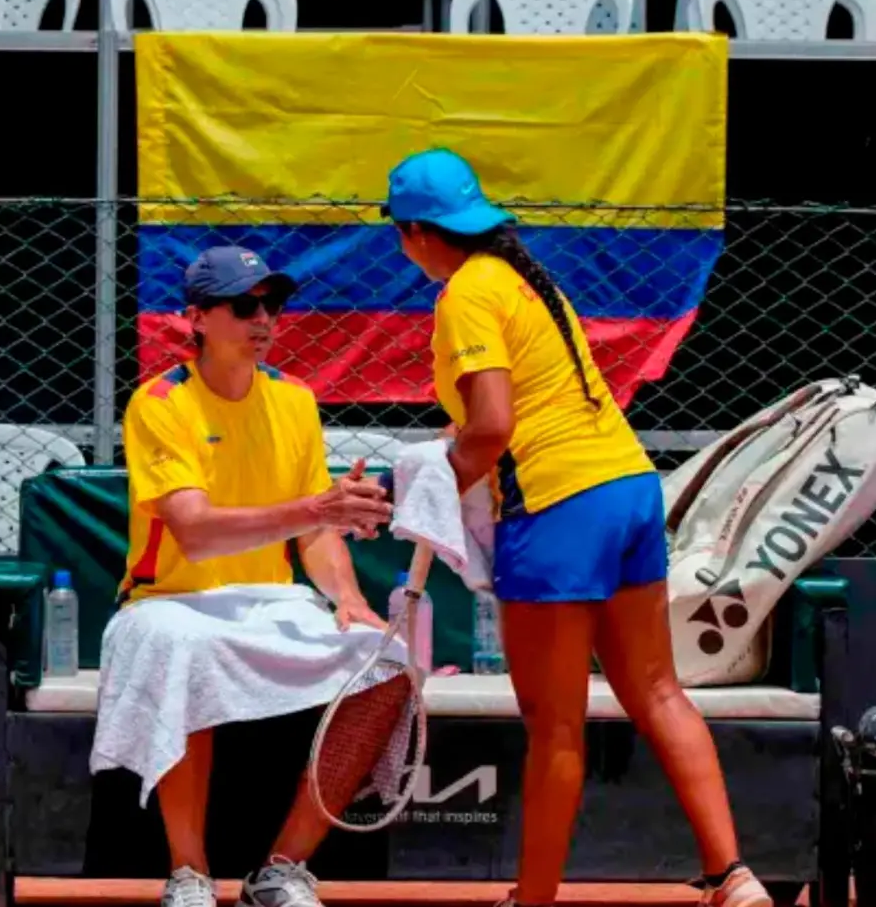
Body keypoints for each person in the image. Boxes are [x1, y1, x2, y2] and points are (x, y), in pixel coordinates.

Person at [383, 148, 773, 907]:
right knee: (658, 691)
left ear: (419, 233)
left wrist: (429, 491)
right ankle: (734, 876)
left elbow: (492, 427)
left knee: (554, 726)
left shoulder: (466, 294)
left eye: (400, 232)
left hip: (560, 507)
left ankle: (533, 900)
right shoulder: (524, 278)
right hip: (629, 488)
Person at [90, 246, 406, 907]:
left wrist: (349, 597)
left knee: (389, 664)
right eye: (243, 306)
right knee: (181, 646)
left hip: (269, 601)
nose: (262, 319)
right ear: (197, 318)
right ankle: (189, 873)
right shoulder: (160, 402)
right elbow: (196, 532)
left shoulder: (294, 399)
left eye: (272, 305)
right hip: (166, 601)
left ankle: (283, 869)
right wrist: (315, 509)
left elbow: (316, 534)